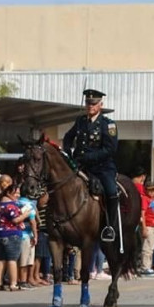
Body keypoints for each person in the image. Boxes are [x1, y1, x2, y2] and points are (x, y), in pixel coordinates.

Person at [62, 89, 119, 242]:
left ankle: (110, 227)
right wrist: (68, 152)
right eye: (88, 103)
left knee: (111, 191)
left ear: (101, 105)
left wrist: (88, 157)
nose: (90, 106)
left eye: (93, 103)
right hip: (81, 166)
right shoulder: (80, 121)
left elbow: (110, 149)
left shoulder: (108, 125)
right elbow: (68, 137)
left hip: (102, 167)